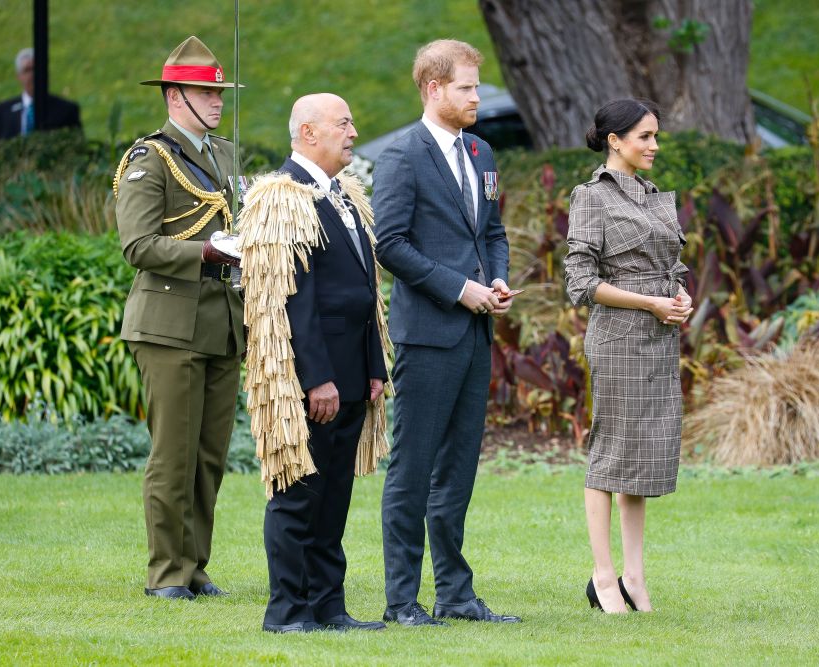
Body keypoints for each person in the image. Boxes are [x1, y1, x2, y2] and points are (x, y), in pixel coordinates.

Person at [372, 39, 520, 626]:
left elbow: (493, 232)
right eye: (466, 87)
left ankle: (455, 594)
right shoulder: (402, 156)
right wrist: (461, 288)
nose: (477, 97)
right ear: (434, 88)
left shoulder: (481, 151)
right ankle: (402, 601)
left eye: (477, 87)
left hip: (475, 336)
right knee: (413, 470)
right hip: (428, 335)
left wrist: (498, 278)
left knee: (458, 469)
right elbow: (390, 245)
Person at [114, 36, 244, 601]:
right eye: (203, 91)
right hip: (170, 324)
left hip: (221, 319)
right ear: (173, 96)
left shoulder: (224, 155)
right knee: (173, 453)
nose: (216, 101)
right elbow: (138, 245)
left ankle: (194, 565)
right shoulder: (149, 158)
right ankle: (166, 572)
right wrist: (206, 254)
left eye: (218, 91)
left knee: (209, 456)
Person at [257, 93, 388, 634]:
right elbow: (292, 300)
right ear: (309, 133)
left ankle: (328, 607)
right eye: (343, 123)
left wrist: (375, 366)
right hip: (312, 380)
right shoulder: (283, 197)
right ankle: (287, 611)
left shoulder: (343, 195)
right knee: (298, 495)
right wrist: (318, 379)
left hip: (354, 373)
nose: (353, 132)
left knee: (334, 499)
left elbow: (366, 288)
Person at [564, 99, 694, 614]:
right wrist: (649, 302)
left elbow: (673, 265)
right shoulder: (591, 197)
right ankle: (602, 577)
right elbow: (580, 282)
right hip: (618, 339)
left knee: (641, 457)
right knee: (612, 453)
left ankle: (634, 578)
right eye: (644, 136)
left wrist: (679, 297)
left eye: (656, 136)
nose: (654, 146)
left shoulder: (657, 198)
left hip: (660, 338)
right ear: (615, 140)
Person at [0, 47, 81, 142]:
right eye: (27, 70)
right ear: (19, 76)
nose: (32, 75)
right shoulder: (1, 113)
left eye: (36, 69)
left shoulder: (66, 110)